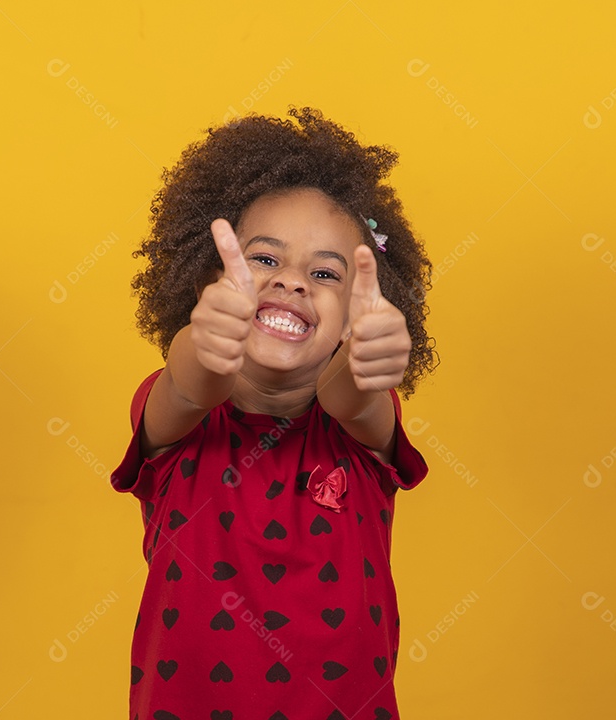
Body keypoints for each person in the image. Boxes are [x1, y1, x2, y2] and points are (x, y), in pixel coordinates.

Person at [110, 106, 437, 720]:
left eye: (324, 273)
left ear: (354, 315)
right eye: (264, 260)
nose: (291, 282)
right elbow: (190, 381)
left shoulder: (362, 424)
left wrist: (366, 360)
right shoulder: (178, 420)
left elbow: (352, 396)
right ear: (209, 279)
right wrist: (203, 340)